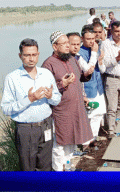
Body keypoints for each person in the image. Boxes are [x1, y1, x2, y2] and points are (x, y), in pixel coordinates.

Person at [1, 38, 62, 171]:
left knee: (46, 166)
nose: (31, 59)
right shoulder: (12, 78)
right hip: (26, 130)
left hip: (46, 125)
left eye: (34, 55)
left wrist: (51, 96)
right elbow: (6, 109)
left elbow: (57, 99)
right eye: (27, 55)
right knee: (28, 167)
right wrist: (30, 99)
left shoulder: (46, 74)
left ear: (38, 54)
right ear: (20, 56)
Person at [42, 31, 93, 171]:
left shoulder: (71, 59)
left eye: (67, 43)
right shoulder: (48, 64)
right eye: (63, 43)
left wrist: (87, 75)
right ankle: (58, 173)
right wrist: (62, 84)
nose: (67, 46)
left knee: (72, 142)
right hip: (60, 111)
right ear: (54, 46)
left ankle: (68, 169)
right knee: (60, 145)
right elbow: (46, 91)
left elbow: (79, 79)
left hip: (76, 108)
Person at [78, 25, 106, 145]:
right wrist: (94, 53)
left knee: (98, 113)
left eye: (93, 38)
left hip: (98, 87)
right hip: (88, 89)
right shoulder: (79, 53)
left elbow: (102, 69)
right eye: (88, 39)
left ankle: (93, 138)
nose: (91, 41)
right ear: (82, 38)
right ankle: (85, 142)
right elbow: (88, 69)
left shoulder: (96, 48)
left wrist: (100, 60)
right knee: (88, 116)